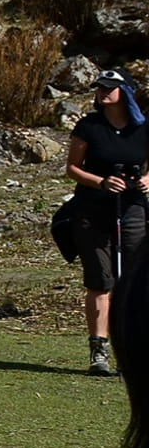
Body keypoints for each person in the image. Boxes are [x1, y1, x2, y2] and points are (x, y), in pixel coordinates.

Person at [66, 69, 149, 375]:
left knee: (133, 280)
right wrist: (101, 182)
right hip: (93, 210)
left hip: (133, 210)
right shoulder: (89, 126)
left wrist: (147, 179)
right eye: (100, 87)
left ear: (125, 91)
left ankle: (132, 349)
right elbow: (73, 168)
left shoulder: (142, 126)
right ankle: (98, 352)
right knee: (101, 280)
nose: (103, 92)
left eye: (110, 87)